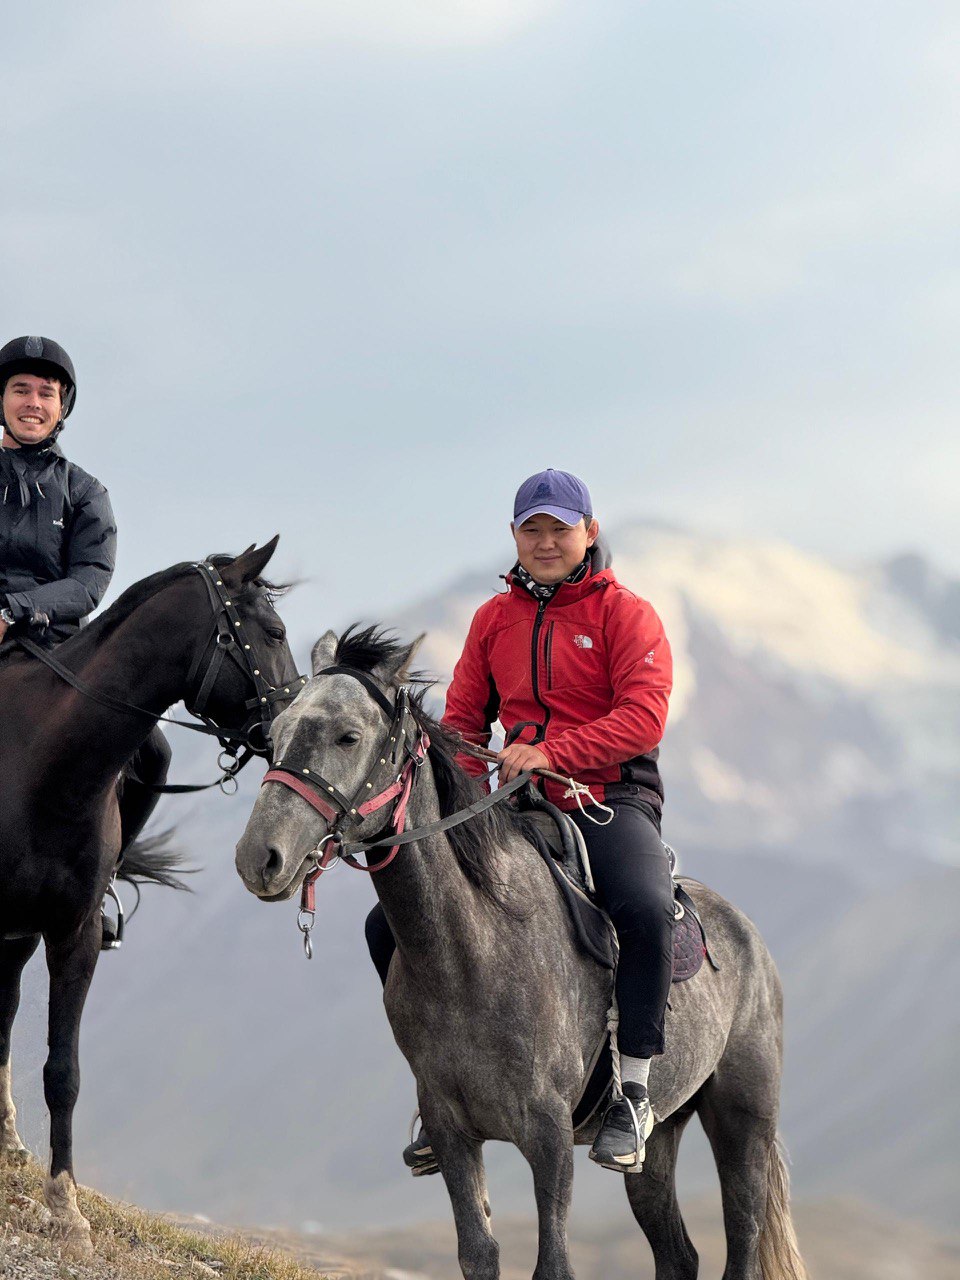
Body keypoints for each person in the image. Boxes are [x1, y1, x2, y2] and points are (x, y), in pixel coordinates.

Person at [368, 467, 675, 1174]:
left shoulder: (626, 615)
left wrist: (553, 754)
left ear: (589, 533)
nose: (545, 542)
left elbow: (644, 717)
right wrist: (462, 801)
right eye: (531, 530)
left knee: (646, 907)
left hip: (607, 798)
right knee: (389, 922)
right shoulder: (492, 620)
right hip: (513, 805)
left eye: (559, 529)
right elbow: (463, 723)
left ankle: (633, 1090)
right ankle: (438, 1089)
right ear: (513, 535)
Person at [0, 335, 171, 943]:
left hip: (59, 651)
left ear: (62, 407)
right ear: (1, 400)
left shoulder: (85, 491)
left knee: (154, 753)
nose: (33, 402)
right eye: (21, 389)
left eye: (46, 393)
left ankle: (101, 882)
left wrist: (15, 610)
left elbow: (90, 580)